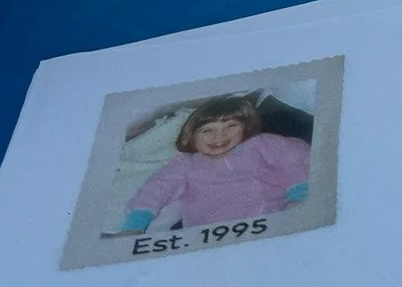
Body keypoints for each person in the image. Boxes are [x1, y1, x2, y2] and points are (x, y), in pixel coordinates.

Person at [122, 94, 311, 231]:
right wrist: (135, 224)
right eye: (207, 130)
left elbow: (294, 157)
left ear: (245, 129)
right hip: (214, 232)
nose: (219, 136)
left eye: (230, 126)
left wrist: (298, 194)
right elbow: (157, 188)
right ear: (191, 137)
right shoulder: (186, 163)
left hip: (275, 217)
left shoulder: (260, 144)